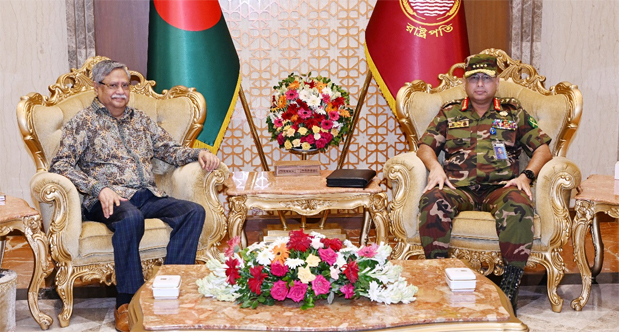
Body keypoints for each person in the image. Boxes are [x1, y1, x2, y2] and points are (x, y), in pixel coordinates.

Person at [49, 60, 220, 331]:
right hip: (106, 199)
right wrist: (98, 188)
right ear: (97, 88)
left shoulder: (139, 119)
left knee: (193, 212)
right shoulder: (83, 122)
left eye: (125, 85)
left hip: (144, 194)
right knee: (130, 217)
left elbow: (168, 149)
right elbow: (60, 165)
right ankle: (127, 302)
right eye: (113, 85)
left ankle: (169, 289)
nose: (120, 91)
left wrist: (197, 153)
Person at [416, 54, 553, 313]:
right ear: (465, 83)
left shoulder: (513, 113)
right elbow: (425, 146)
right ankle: (438, 279)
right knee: (433, 200)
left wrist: (527, 176)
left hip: (500, 188)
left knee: (519, 206)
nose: (480, 84)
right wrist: (435, 167)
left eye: (486, 78)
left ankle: (510, 288)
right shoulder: (450, 112)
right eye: (474, 78)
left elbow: (543, 150)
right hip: (458, 188)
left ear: (497, 82)